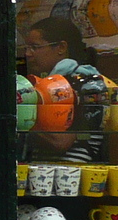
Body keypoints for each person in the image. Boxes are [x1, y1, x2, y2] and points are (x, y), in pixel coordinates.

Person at [22, 16, 105, 162]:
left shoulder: (87, 82)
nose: (28, 54)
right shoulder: (41, 81)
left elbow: (60, 141)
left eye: (35, 47)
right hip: (41, 171)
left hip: (74, 172)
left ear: (61, 48)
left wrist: (21, 117)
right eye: (27, 48)